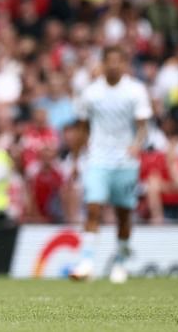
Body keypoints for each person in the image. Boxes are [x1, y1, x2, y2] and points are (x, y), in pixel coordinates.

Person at [70, 46, 151, 284]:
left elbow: (143, 125)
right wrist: (75, 159)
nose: (114, 65)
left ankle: (121, 263)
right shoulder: (90, 93)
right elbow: (83, 128)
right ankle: (87, 263)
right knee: (93, 208)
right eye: (110, 61)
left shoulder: (135, 91)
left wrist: (137, 145)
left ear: (124, 64)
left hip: (126, 161)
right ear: (103, 64)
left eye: (118, 61)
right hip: (98, 159)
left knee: (123, 215)